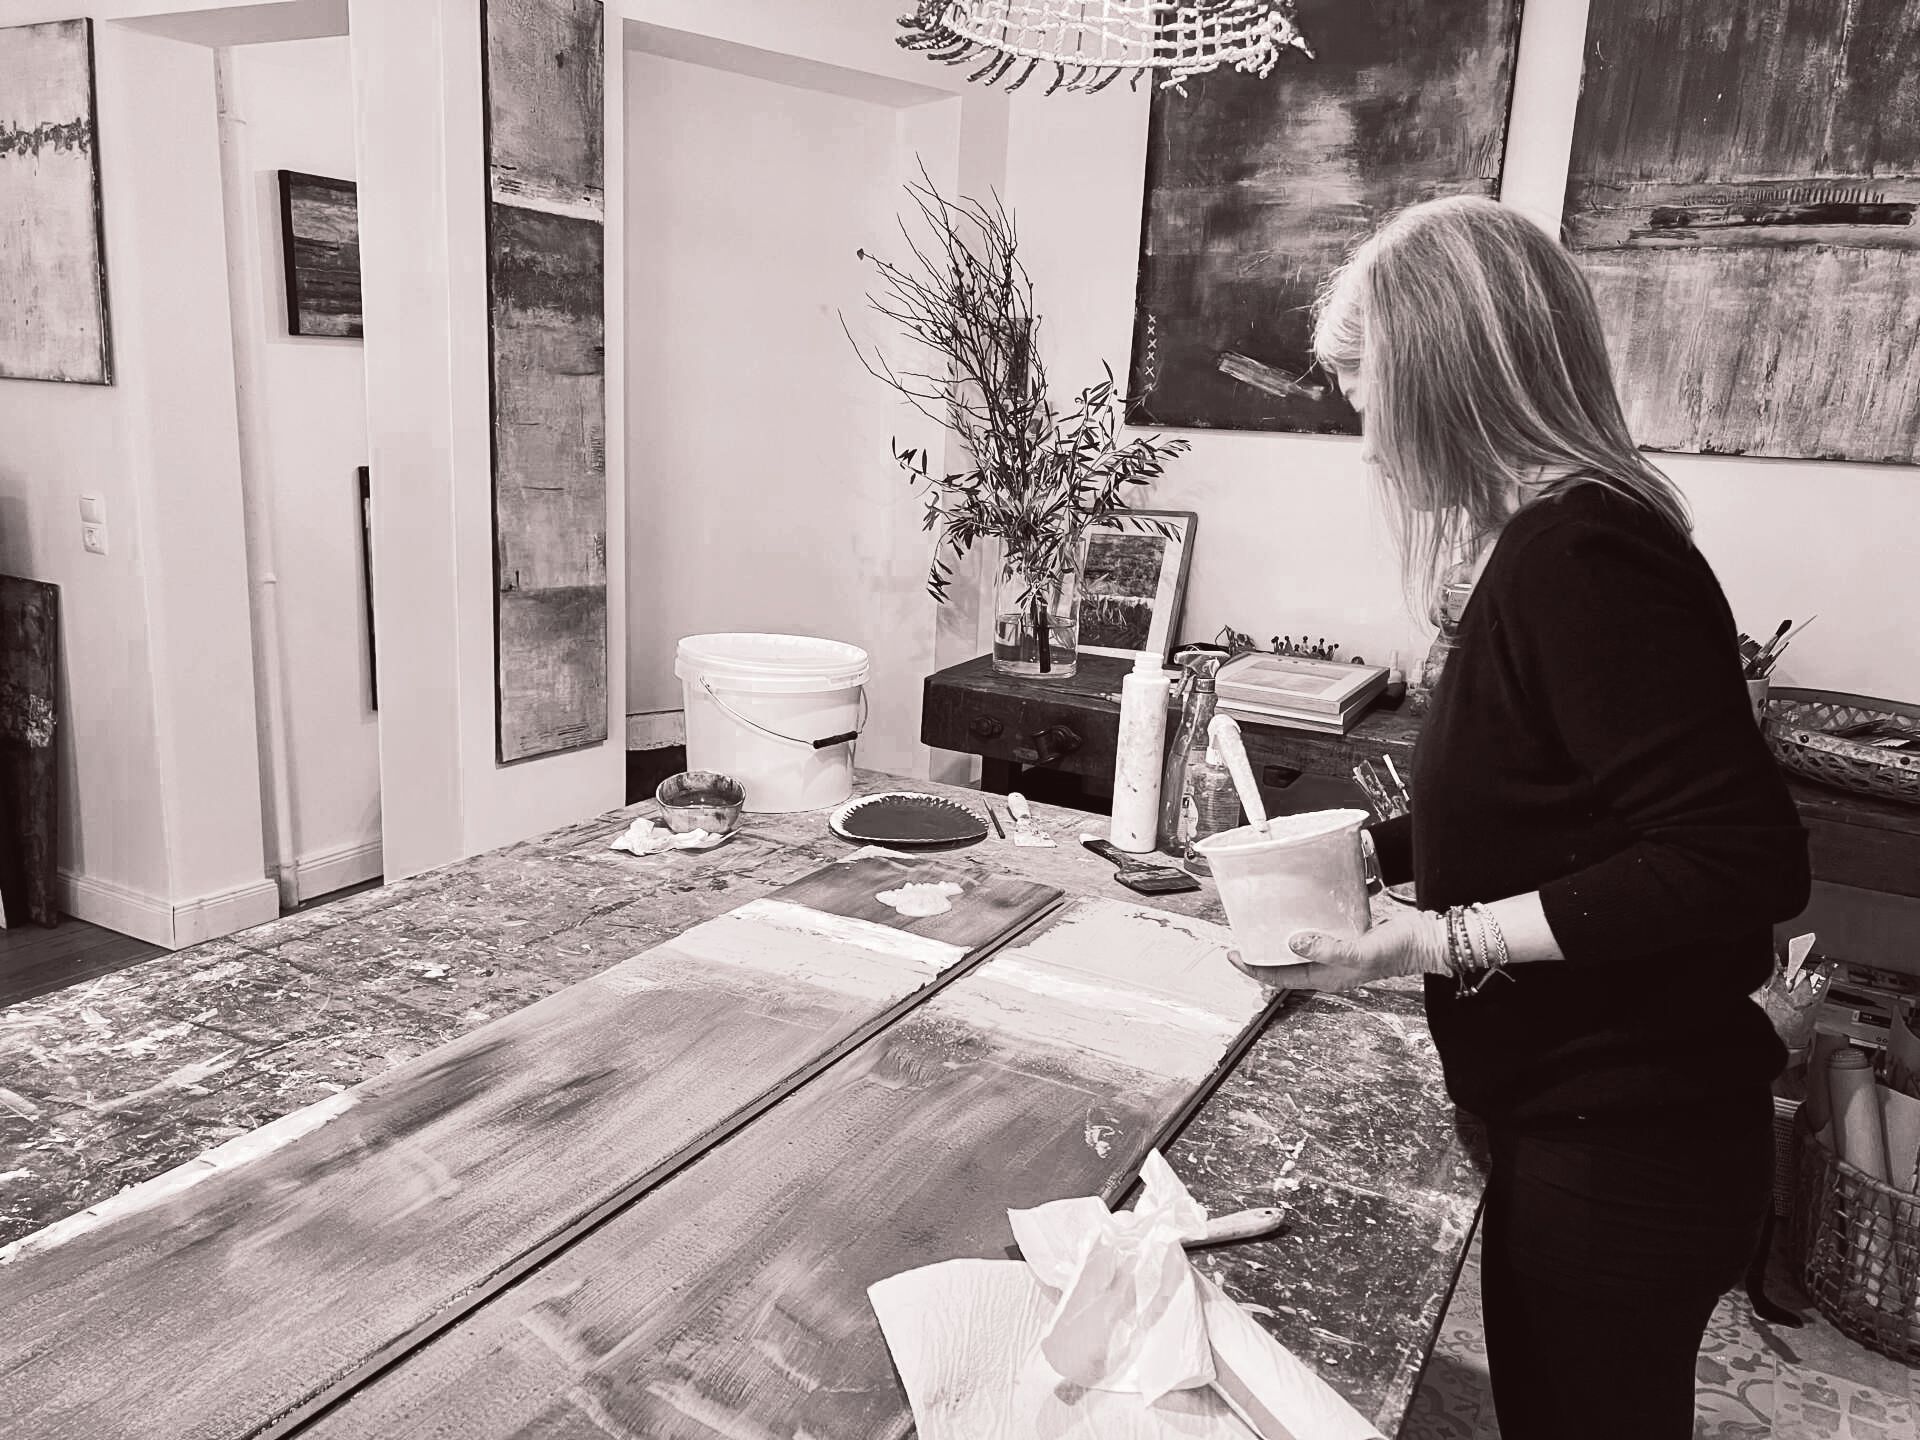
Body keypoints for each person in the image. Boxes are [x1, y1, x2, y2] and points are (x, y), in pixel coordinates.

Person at [1258, 196, 1811, 1438]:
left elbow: (1735, 860)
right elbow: (1539, 803)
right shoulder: (1546, 546)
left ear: (1448, 376)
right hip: (1580, 1119)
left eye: (1369, 391)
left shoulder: (1584, 555)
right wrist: (1351, 848)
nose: (1369, 444)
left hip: (1629, 1139)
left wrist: (1434, 939)